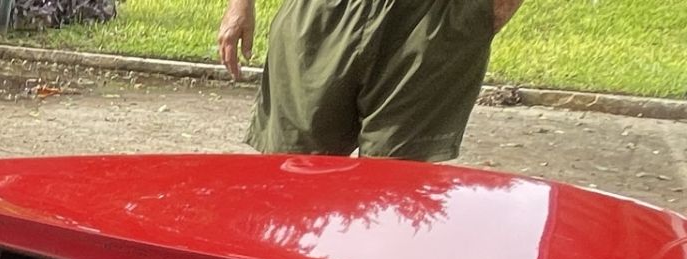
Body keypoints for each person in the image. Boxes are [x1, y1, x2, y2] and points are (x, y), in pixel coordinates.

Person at [218, 0, 525, 161]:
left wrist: (484, 15)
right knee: (296, 176)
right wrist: (239, 5)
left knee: (396, 193)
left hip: (429, 22)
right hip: (320, 17)